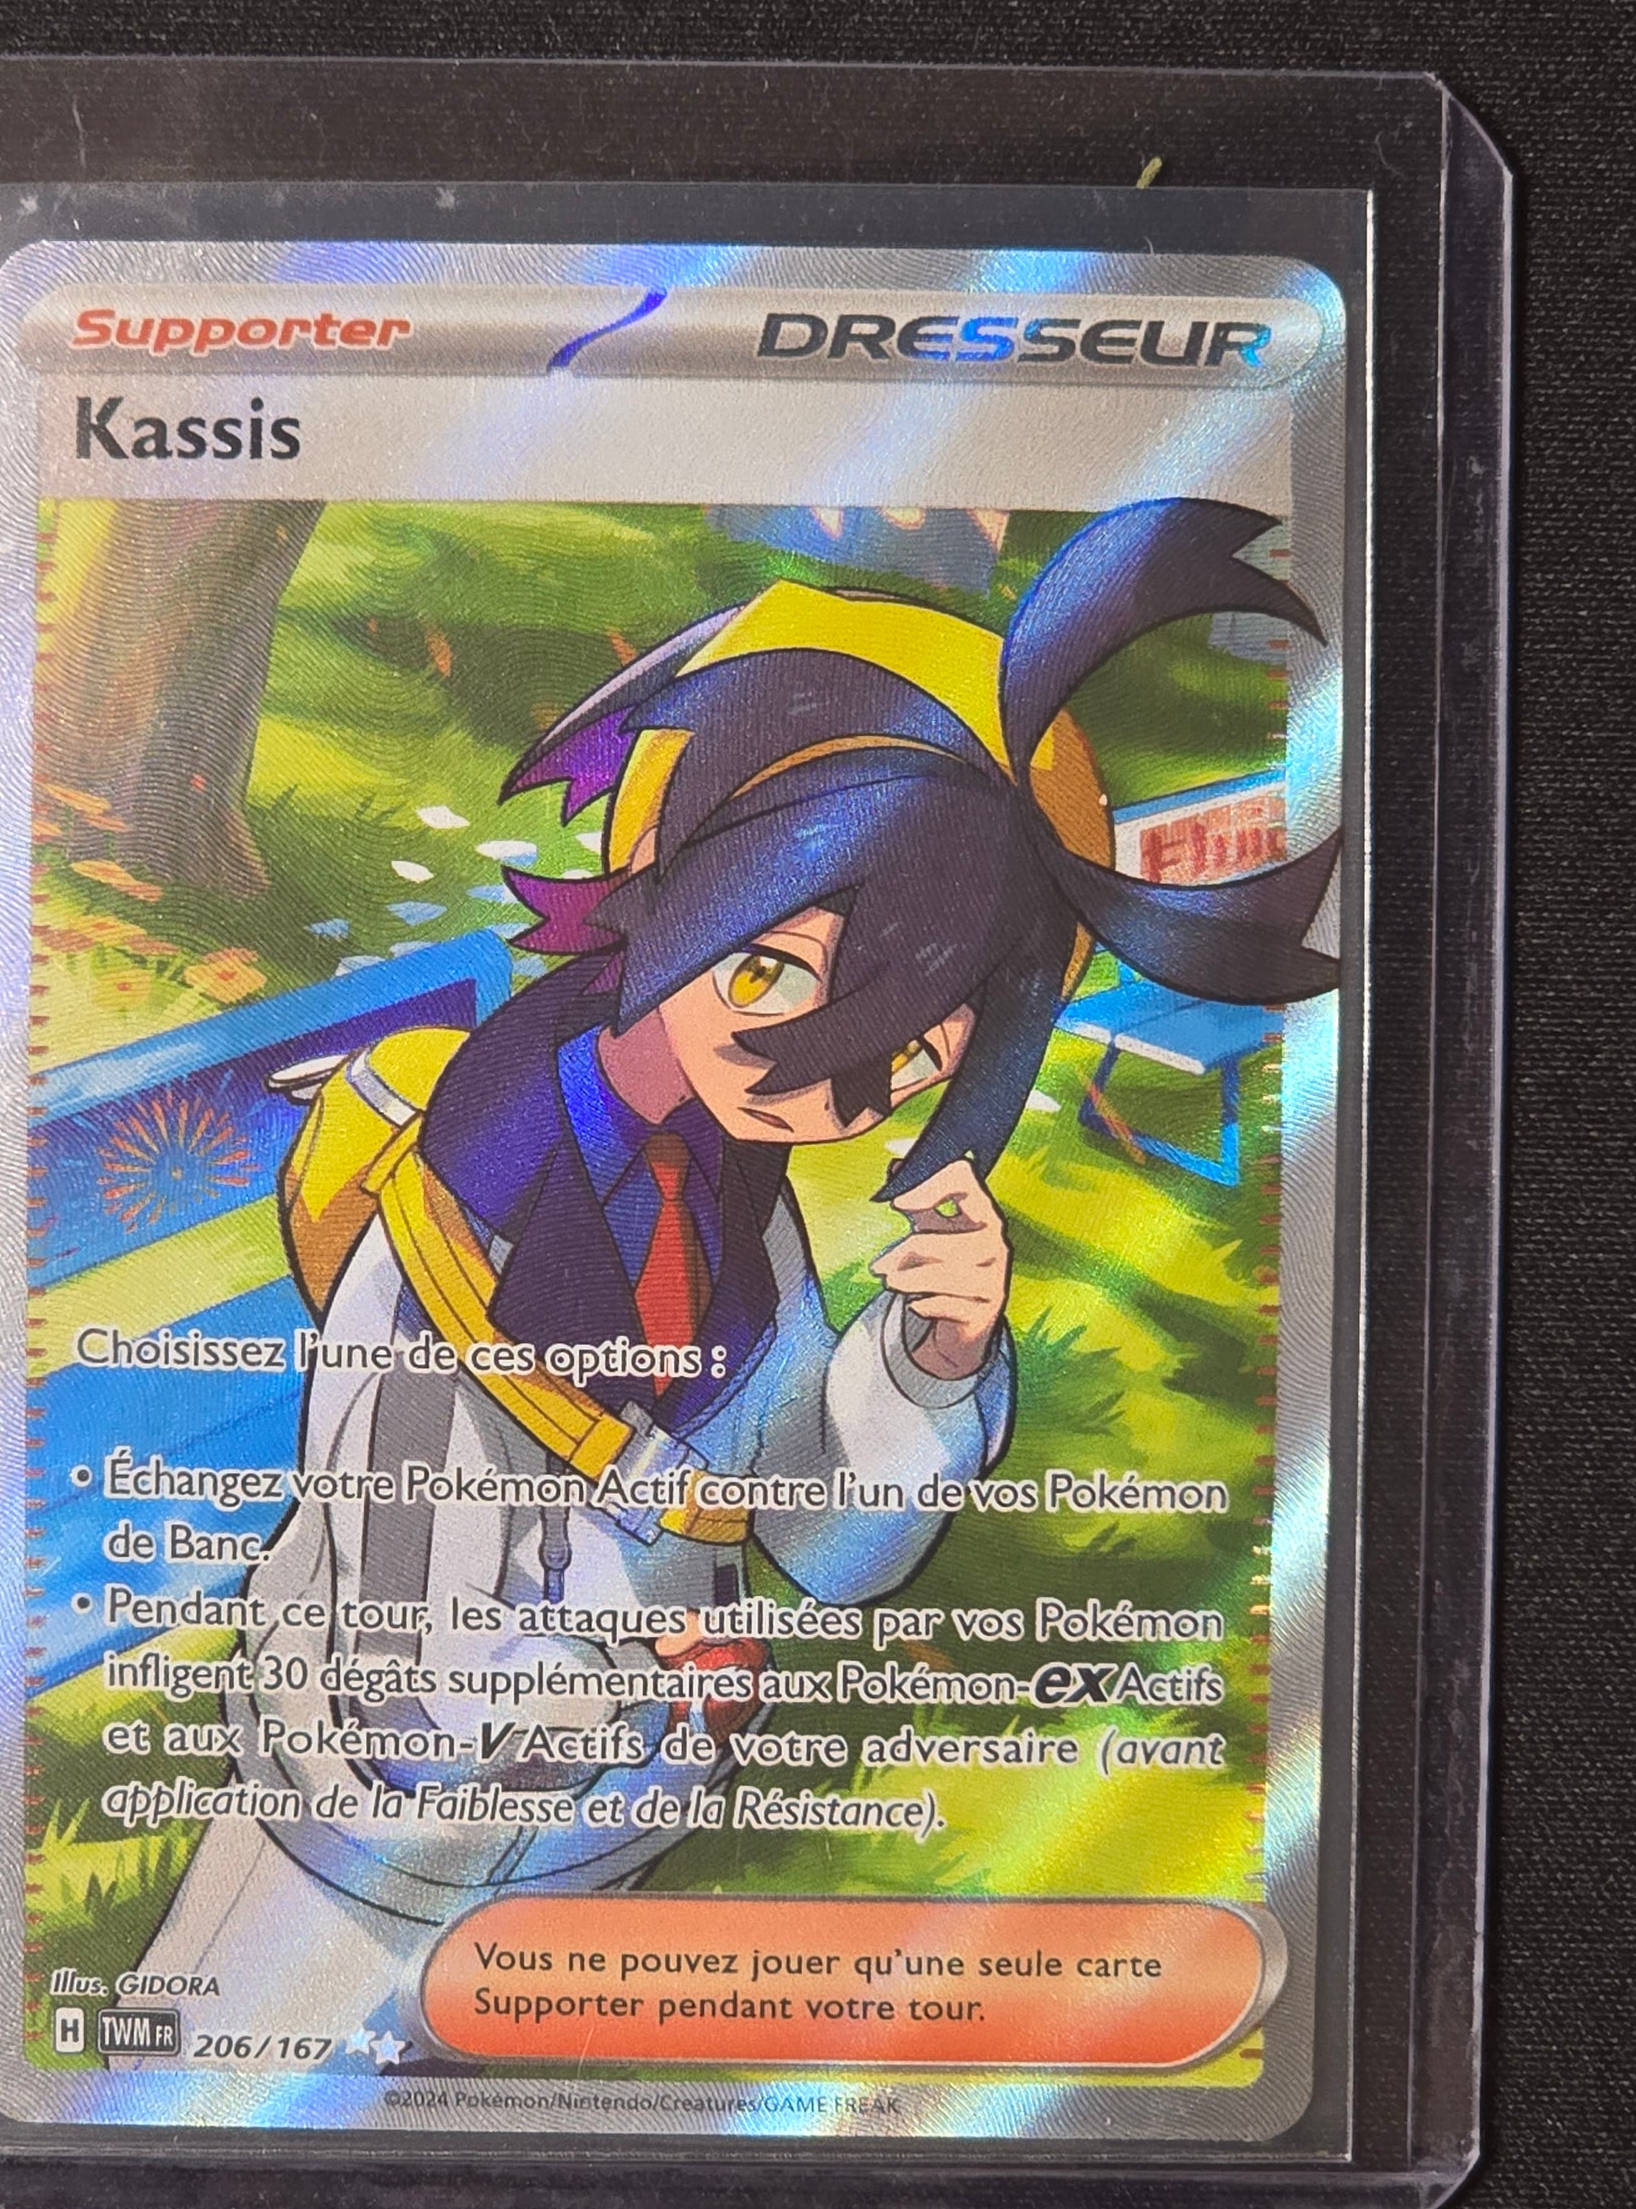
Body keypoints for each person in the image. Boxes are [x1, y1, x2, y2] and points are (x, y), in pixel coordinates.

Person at [119, 497, 1340, 2063]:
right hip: (365, 1862)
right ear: (669, 891)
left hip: (581, 1840)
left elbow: (823, 1541)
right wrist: (643, 1670)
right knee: (222, 2101)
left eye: (906, 1056)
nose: (828, 1087)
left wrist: (929, 1357)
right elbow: (406, 1677)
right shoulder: (464, 1225)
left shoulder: (724, 1191)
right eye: (769, 974)